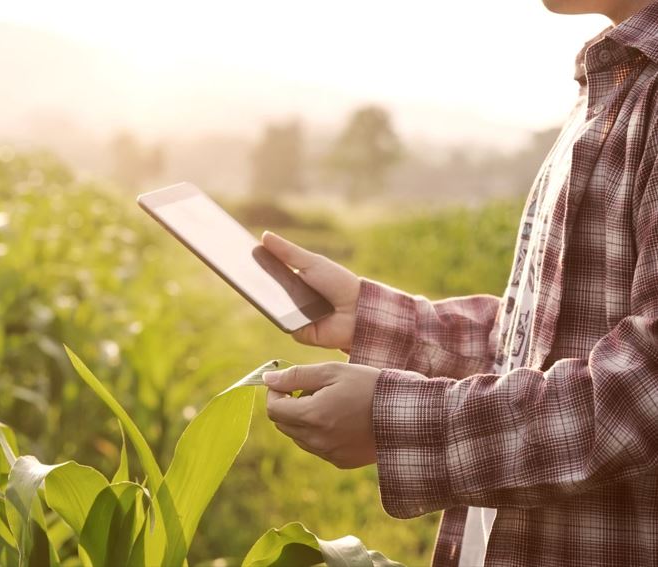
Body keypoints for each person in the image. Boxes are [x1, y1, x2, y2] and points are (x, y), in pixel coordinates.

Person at [260, 1, 658, 565]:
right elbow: (539, 345)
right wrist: (373, 317)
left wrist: (394, 423)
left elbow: (642, 398)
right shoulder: (619, 76)